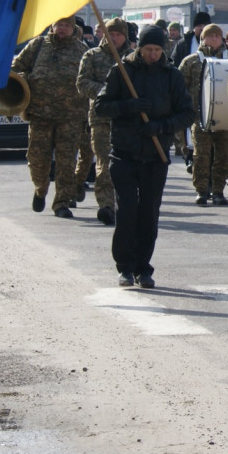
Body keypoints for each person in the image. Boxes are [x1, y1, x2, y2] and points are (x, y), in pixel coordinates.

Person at [95, 24, 194, 289]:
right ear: (140, 48)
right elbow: (100, 106)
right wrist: (128, 106)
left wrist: (161, 127)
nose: (153, 54)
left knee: (149, 214)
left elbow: (187, 113)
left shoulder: (171, 75)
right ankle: (124, 267)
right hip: (124, 154)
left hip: (155, 155)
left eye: (157, 50)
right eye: (148, 49)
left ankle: (143, 268)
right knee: (127, 211)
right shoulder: (122, 72)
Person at [13, 19, 89, 217]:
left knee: (66, 163)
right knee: (37, 160)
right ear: (52, 26)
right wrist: (27, 79)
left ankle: (61, 203)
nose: (62, 28)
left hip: (70, 117)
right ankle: (40, 189)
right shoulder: (38, 46)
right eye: (59, 24)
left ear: (73, 29)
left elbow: (90, 79)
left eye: (67, 25)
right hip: (40, 115)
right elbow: (16, 68)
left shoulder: (82, 51)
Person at [77, 18, 132, 225]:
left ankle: (124, 204)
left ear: (125, 36)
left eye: (118, 34)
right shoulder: (92, 56)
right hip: (100, 118)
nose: (114, 38)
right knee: (104, 163)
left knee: (125, 165)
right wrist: (106, 92)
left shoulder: (132, 58)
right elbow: (82, 83)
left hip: (127, 119)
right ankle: (106, 205)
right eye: (111, 34)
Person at [179, 24, 228, 207]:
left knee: (223, 156)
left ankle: (218, 190)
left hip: (225, 118)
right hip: (199, 118)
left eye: (217, 36)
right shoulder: (191, 61)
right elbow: (179, 88)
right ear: (202, 38)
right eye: (209, 36)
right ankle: (201, 190)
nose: (213, 39)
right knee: (201, 155)